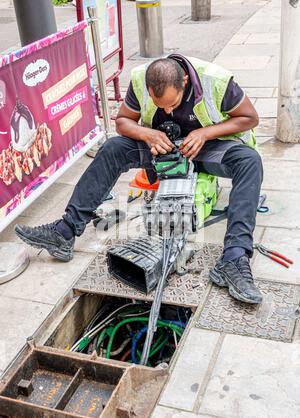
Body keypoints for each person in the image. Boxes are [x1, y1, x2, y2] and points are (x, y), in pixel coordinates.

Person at [15, 54, 263, 304]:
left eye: (173, 103)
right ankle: (65, 231)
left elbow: (250, 118)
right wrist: (147, 134)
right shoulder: (140, 79)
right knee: (113, 148)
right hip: (163, 148)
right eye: (160, 105)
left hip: (205, 147)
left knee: (249, 161)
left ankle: (234, 258)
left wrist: (205, 133)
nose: (168, 111)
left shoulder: (215, 80)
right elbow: (123, 121)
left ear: (185, 81)